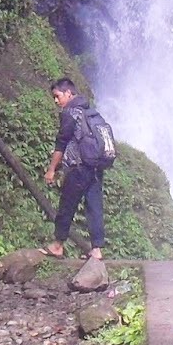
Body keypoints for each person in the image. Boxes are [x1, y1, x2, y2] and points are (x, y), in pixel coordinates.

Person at [42, 78, 105, 260]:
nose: (56, 101)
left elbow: (61, 143)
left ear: (68, 93)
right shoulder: (90, 111)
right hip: (95, 166)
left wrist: (51, 169)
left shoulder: (70, 113)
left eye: (57, 96)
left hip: (78, 167)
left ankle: (57, 245)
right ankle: (97, 250)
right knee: (94, 207)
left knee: (67, 205)